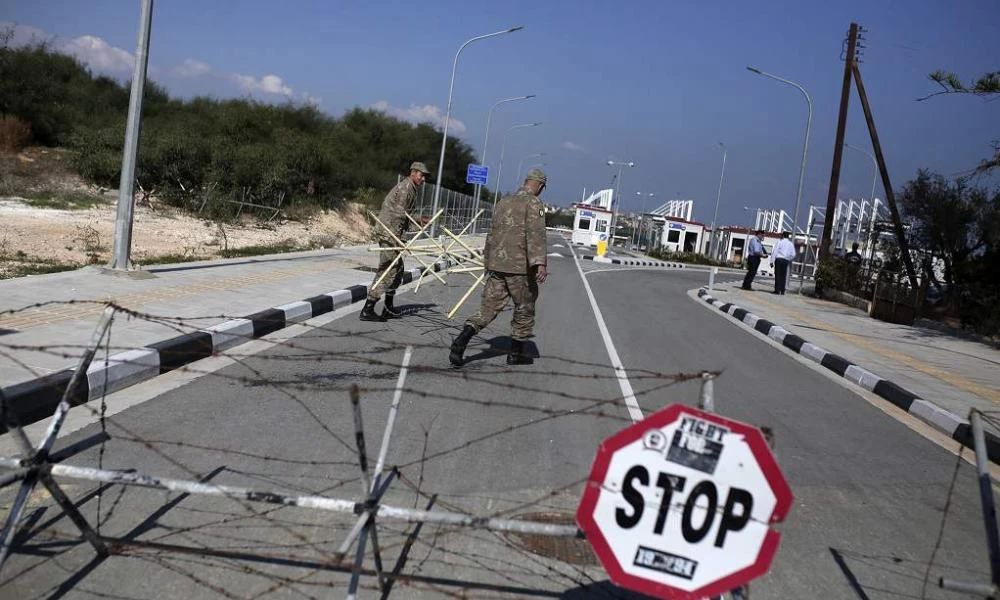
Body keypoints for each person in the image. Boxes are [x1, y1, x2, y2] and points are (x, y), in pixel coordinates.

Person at [449, 168, 549, 366]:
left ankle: (461, 341)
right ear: (540, 186)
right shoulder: (534, 202)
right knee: (524, 308)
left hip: (497, 265)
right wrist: (540, 264)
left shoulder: (503, 201)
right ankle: (515, 353)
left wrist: (487, 262)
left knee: (488, 308)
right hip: (519, 269)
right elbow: (536, 234)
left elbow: (491, 233)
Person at [360, 161, 431, 322]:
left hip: (394, 233)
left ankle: (388, 307)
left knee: (397, 271)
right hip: (389, 234)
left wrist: (417, 220)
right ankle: (368, 308)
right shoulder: (406, 189)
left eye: (424, 176)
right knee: (388, 269)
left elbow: (403, 215)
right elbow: (400, 215)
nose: (423, 179)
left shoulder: (411, 188)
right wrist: (414, 222)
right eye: (421, 175)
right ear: (413, 172)